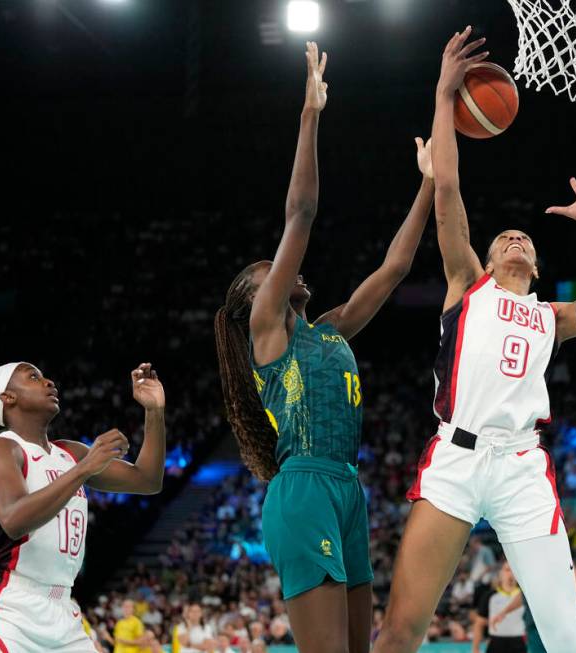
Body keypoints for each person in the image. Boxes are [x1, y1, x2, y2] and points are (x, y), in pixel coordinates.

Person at [374, 26, 576, 653]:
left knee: (565, 636)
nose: (515, 238)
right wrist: (445, 95)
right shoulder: (468, 284)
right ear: (487, 257)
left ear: (537, 266)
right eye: (503, 237)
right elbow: (447, 188)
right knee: (399, 632)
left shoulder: (552, 315)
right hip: (457, 461)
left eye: (524, 237)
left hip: (523, 467)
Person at [212, 42, 434, 653]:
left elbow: (395, 268)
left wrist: (429, 186)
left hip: (346, 487)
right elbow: (302, 213)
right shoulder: (266, 328)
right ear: (257, 296)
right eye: (270, 269)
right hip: (305, 489)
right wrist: (310, 115)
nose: (283, 271)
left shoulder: (329, 329)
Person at [0, 362, 166, 653]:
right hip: (6, 608)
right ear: (8, 398)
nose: (49, 381)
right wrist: (85, 469)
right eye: (33, 377)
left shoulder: (71, 452)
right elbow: (14, 519)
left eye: (44, 375)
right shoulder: (3, 450)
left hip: (62, 611)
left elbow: (148, 480)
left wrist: (154, 412)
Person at [473, 561, 526, 653]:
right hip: (496, 642)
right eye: (507, 570)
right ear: (501, 574)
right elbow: (479, 623)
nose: (511, 574)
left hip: (519, 642)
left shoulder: (525, 596)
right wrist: (475, 649)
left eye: (514, 570)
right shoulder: (490, 596)